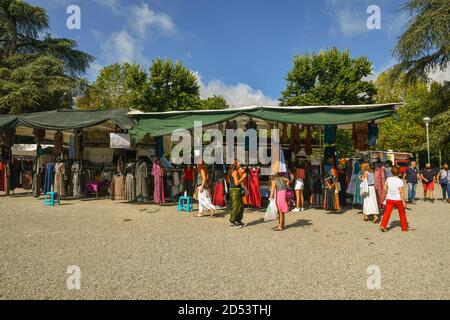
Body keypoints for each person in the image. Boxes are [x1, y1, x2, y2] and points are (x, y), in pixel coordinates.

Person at [380, 166, 408, 232]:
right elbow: (401, 192)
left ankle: (383, 225)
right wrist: (403, 201)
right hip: (398, 199)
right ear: (399, 173)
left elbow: (384, 188)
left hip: (389, 198)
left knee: (387, 212)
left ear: (391, 172)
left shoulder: (388, 179)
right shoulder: (400, 181)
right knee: (402, 213)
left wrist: (389, 192)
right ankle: (404, 228)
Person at [227, 160, 248, 228]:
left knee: (241, 206)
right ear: (235, 165)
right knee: (235, 206)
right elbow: (236, 183)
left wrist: (245, 189)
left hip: (237, 190)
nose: (240, 164)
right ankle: (233, 221)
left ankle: (238, 220)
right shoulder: (234, 172)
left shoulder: (237, 171)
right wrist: (243, 177)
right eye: (239, 163)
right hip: (234, 190)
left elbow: (240, 183)